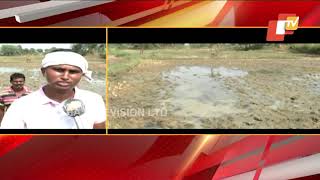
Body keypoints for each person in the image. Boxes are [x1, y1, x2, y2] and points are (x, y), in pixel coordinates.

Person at [1, 50, 106, 129]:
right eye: (59, 70)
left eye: (73, 72)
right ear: (43, 71)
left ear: (82, 75)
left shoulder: (94, 100)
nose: (65, 76)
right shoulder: (21, 105)